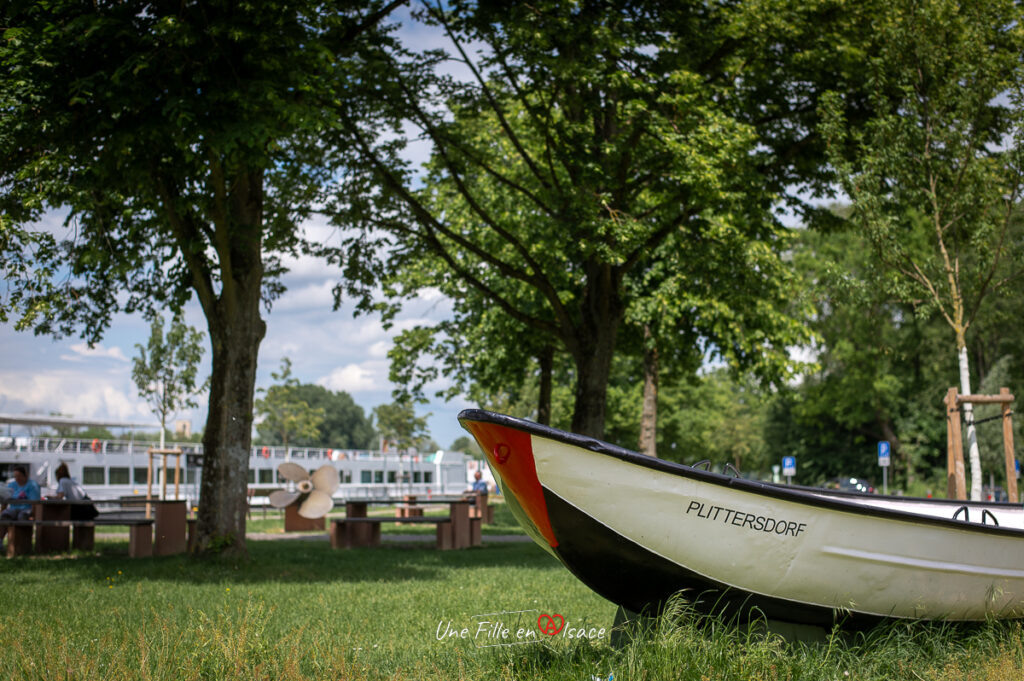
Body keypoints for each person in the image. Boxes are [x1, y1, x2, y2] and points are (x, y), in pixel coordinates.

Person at [0, 464, 40, 546]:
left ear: (25, 475)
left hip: (26, 509)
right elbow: (5, 502)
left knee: (22, 517)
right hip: (13, 509)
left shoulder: (33, 485)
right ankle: (1, 542)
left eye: (19, 476)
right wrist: (1, 512)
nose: (17, 478)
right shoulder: (11, 485)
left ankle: (22, 544)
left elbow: (34, 503)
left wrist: (33, 514)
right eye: (15, 476)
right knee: (4, 516)